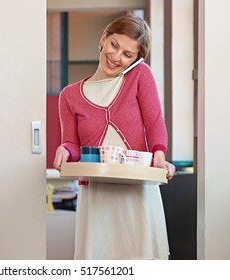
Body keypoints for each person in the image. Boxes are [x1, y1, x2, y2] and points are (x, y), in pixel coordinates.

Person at [53, 15, 176, 260]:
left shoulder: (140, 75)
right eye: (114, 45)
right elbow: (73, 144)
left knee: (140, 258)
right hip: (97, 193)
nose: (116, 57)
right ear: (103, 38)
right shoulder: (69, 95)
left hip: (137, 189)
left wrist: (159, 156)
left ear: (136, 60)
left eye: (127, 55)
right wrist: (65, 150)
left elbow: (154, 123)